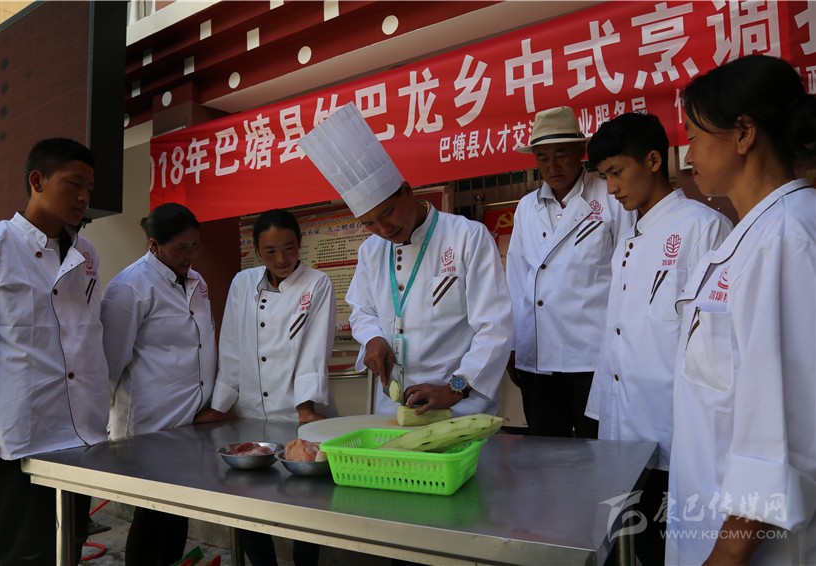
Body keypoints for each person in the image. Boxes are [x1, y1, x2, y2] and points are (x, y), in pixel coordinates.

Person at [666, 54, 815, 565]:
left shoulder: (788, 239)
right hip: (710, 515)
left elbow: (782, 429)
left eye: (694, 137)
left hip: (751, 545)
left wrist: (727, 556)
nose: (688, 155)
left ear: (744, 133)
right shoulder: (752, 235)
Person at [582, 112, 732, 564]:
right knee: (628, 541)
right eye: (604, 177)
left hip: (672, 427)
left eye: (616, 172)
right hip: (623, 425)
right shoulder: (630, 234)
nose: (611, 188)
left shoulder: (702, 227)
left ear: (652, 160)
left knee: (665, 543)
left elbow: (715, 342)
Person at [299, 102, 513, 418]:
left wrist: (455, 388)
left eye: (387, 213)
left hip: (460, 407)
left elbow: (495, 328)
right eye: (370, 223)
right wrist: (373, 339)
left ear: (406, 191)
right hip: (393, 405)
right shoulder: (371, 251)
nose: (384, 229)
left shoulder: (467, 237)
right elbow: (362, 310)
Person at [0, 138, 109, 564]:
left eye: (89, 188)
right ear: (38, 180)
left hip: (82, 433)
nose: (84, 197)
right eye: (73, 184)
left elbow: (86, 335)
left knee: (68, 548)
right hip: (21, 435)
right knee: (20, 553)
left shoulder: (86, 253)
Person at [208, 208, 336, 566]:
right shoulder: (242, 282)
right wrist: (220, 404)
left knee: (305, 505)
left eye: (289, 248)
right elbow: (230, 345)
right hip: (250, 412)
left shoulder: (316, 283)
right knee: (250, 503)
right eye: (270, 251)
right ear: (256, 250)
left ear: (300, 243)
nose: (281, 259)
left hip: (298, 414)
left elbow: (315, 347)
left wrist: (306, 406)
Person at [101, 202, 220, 566]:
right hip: (147, 428)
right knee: (151, 515)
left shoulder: (197, 282)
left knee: (177, 511)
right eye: (180, 247)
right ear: (154, 245)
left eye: (195, 245)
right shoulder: (129, 288)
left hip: (188, 424)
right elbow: (110, 364)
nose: (190, 255)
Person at [505, 106, 634, 438]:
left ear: (581, 151)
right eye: (543, 157)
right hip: (538, 353)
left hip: (592, 354)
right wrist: (513, 345)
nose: (553, 166)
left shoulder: (610, 197)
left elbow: (628, 274)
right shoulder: (526, 208)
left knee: (598, 448)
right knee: (546, 452)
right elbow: (516, 280)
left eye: (561, 154)